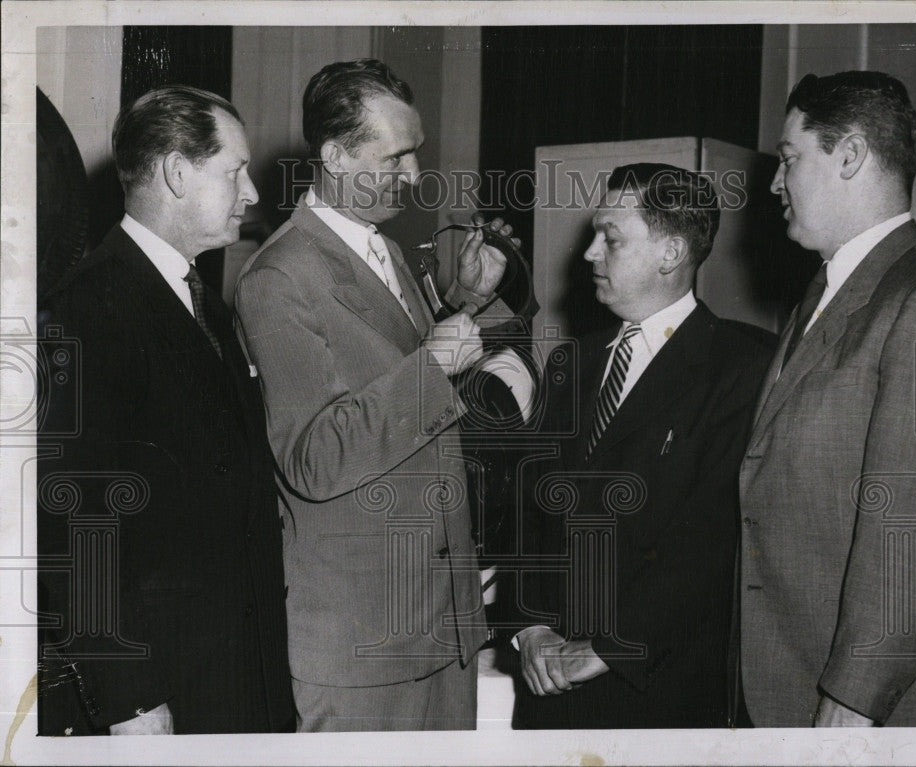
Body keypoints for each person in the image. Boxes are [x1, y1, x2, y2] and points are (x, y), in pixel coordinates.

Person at [234, 59, 517, 731]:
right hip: (363, 646)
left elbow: (386, 373)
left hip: (439, 628)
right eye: (395, 159)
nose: (415, 177)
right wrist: (431, 365)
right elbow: (314, 457)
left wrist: (464, 303)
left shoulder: (383, 248)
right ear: (334, 155)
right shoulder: (278, 276)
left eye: (415, 153)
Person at [37, 85, 294, 735]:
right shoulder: (90, 306)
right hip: (167, 696)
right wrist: (130, 702)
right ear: (178, 173)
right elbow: (77, 525)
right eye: (235, 171)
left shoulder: (203, 300)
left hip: (240, 680)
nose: (253, 194)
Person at [740, 71, 916, 727]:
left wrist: (851, 701)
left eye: (790, 159)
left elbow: (914, 535)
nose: (775, 183)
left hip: (867, 713)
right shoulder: (822, 296)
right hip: (790, 683)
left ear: (848, 155)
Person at [512, 163, 775, 729]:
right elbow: (529, 509)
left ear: (671, 251)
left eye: (609, 237)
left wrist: (609, 648)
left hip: (657, 692)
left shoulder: (742, 367)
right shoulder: (571, 363)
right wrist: (530, 628)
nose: (587, 254)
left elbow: (715, 535)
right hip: (547, 688)